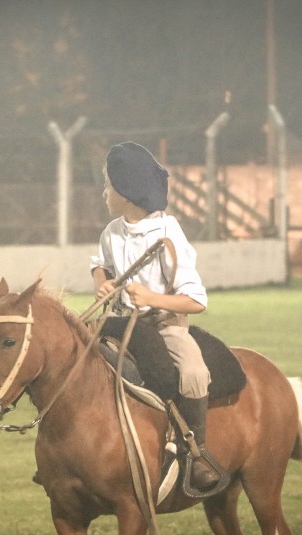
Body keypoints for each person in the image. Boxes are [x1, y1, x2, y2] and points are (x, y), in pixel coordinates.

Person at [91, 141, 220, 490]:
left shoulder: (168, 235)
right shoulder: (112, 231)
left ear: (127, 193)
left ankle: (196, 455)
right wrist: (102, 284)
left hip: (164, 327)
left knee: (194, 373)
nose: (104, 193)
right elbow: (99, 264)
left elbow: (195, 300)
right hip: (121, 323)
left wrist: (151, 297)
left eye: (108, 186)